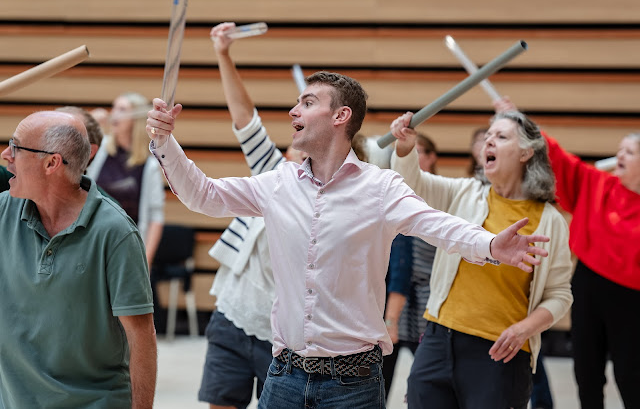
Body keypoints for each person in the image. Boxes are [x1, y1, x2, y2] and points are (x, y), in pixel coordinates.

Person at [146, 70, 551, 408]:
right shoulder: (277, 184)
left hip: (352, 384)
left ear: (341, 115)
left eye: (306, 103)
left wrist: (491, 245)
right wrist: (165, 142)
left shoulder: (381, 187)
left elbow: (437, 224)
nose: (293, 110)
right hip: (283, 375)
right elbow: (203, 194)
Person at [390, 109, 573, 409]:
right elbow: (411, 187)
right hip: (438, 338)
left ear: (527, 152)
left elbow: (560, 295)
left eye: (501, 137)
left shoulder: (551, 220)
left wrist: (524, 329)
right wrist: (406, 147)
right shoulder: (465, 192)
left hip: (502, 352)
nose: (489, 142)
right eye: (487, 136)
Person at [0, 111, 156, 408]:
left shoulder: (115, 232)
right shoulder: (2, 212)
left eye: (16, 147)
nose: (6, 155)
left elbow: (141, 337)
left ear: (51, 163)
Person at [494, 98, 640, 409]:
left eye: (629, 152)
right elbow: (559, 158)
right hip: (589, 284)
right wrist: (519, 121)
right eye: (620, 149)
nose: (619, 155)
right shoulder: (599, 183)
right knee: (586, 369)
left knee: (632, 374)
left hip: (632, 300)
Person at [198, 22, 287, 409]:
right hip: (232, 314)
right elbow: (246, 121)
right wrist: (222, 54)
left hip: (287, 337)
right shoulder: (275, 172)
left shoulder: (339, 197)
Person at [383, 132, 439, 397]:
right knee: (382, 376)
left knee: (430, 380)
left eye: (420, 151)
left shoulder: (442, 192)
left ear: (431, 158)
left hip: (429, 297)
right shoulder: (393, 191)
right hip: (397, 294)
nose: (413, 157)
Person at [86, 92, 164, 267]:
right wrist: (90, 122)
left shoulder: (149, 165)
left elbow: (155, 217)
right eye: (114, 107)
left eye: (122, 109)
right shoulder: (100, 150)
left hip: (128, 247)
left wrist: (146, 261)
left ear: (135, 118)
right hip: (92, 241)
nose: (114, 113)